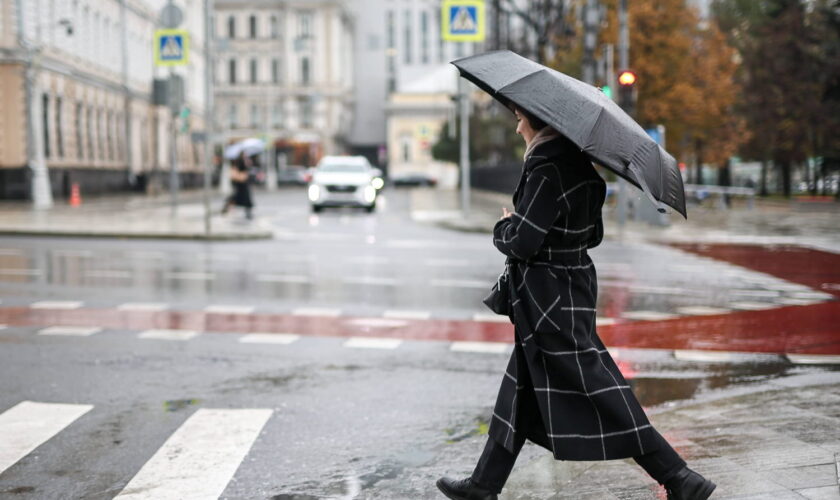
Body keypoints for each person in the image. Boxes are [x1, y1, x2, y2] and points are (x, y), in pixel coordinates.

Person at [436, 106, 716, 500]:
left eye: (520, 119)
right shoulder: (586, 171)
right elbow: (593, 236)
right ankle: (484, 483)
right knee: (522, 386)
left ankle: (680, 477)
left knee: (600, 388)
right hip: (572, 290)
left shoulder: (547, 169)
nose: (517, 126)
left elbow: (523, 242)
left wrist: (504, 224)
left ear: (541, 122)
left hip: (547, 297)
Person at [221, 152, 254, 220]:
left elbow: (245, 173)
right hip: (240, 185)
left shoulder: (245, 162)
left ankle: (248, 213)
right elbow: (239, 175)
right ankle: (225, 209)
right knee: (235, 198)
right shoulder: (239, 163)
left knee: (245, 200)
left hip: (243, 186)